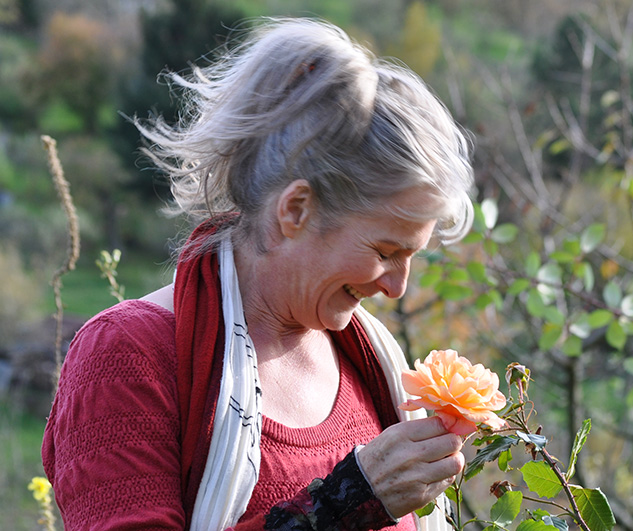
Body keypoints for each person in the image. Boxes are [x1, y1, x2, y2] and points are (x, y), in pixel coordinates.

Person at [41, 17, 475, 531]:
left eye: (412, 256)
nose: (396, 286)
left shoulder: (370, 362)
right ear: (296, 210)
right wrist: (348, 499)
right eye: (384, 251)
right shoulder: (129, 355)